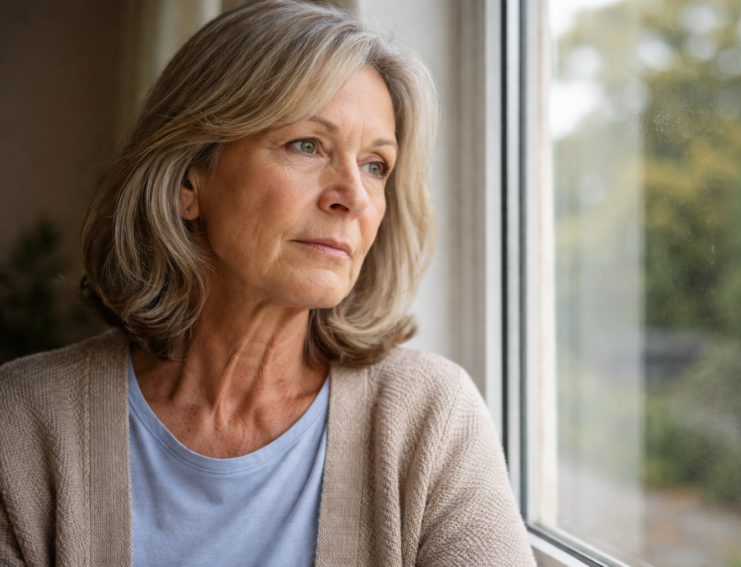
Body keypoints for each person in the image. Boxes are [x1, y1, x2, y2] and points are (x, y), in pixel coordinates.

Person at [0, 1, 535, 566]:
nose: (353, 196)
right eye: (307, 145)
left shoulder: (430, 417)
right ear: (188, 180)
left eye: (376, 165)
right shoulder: (24, 421)